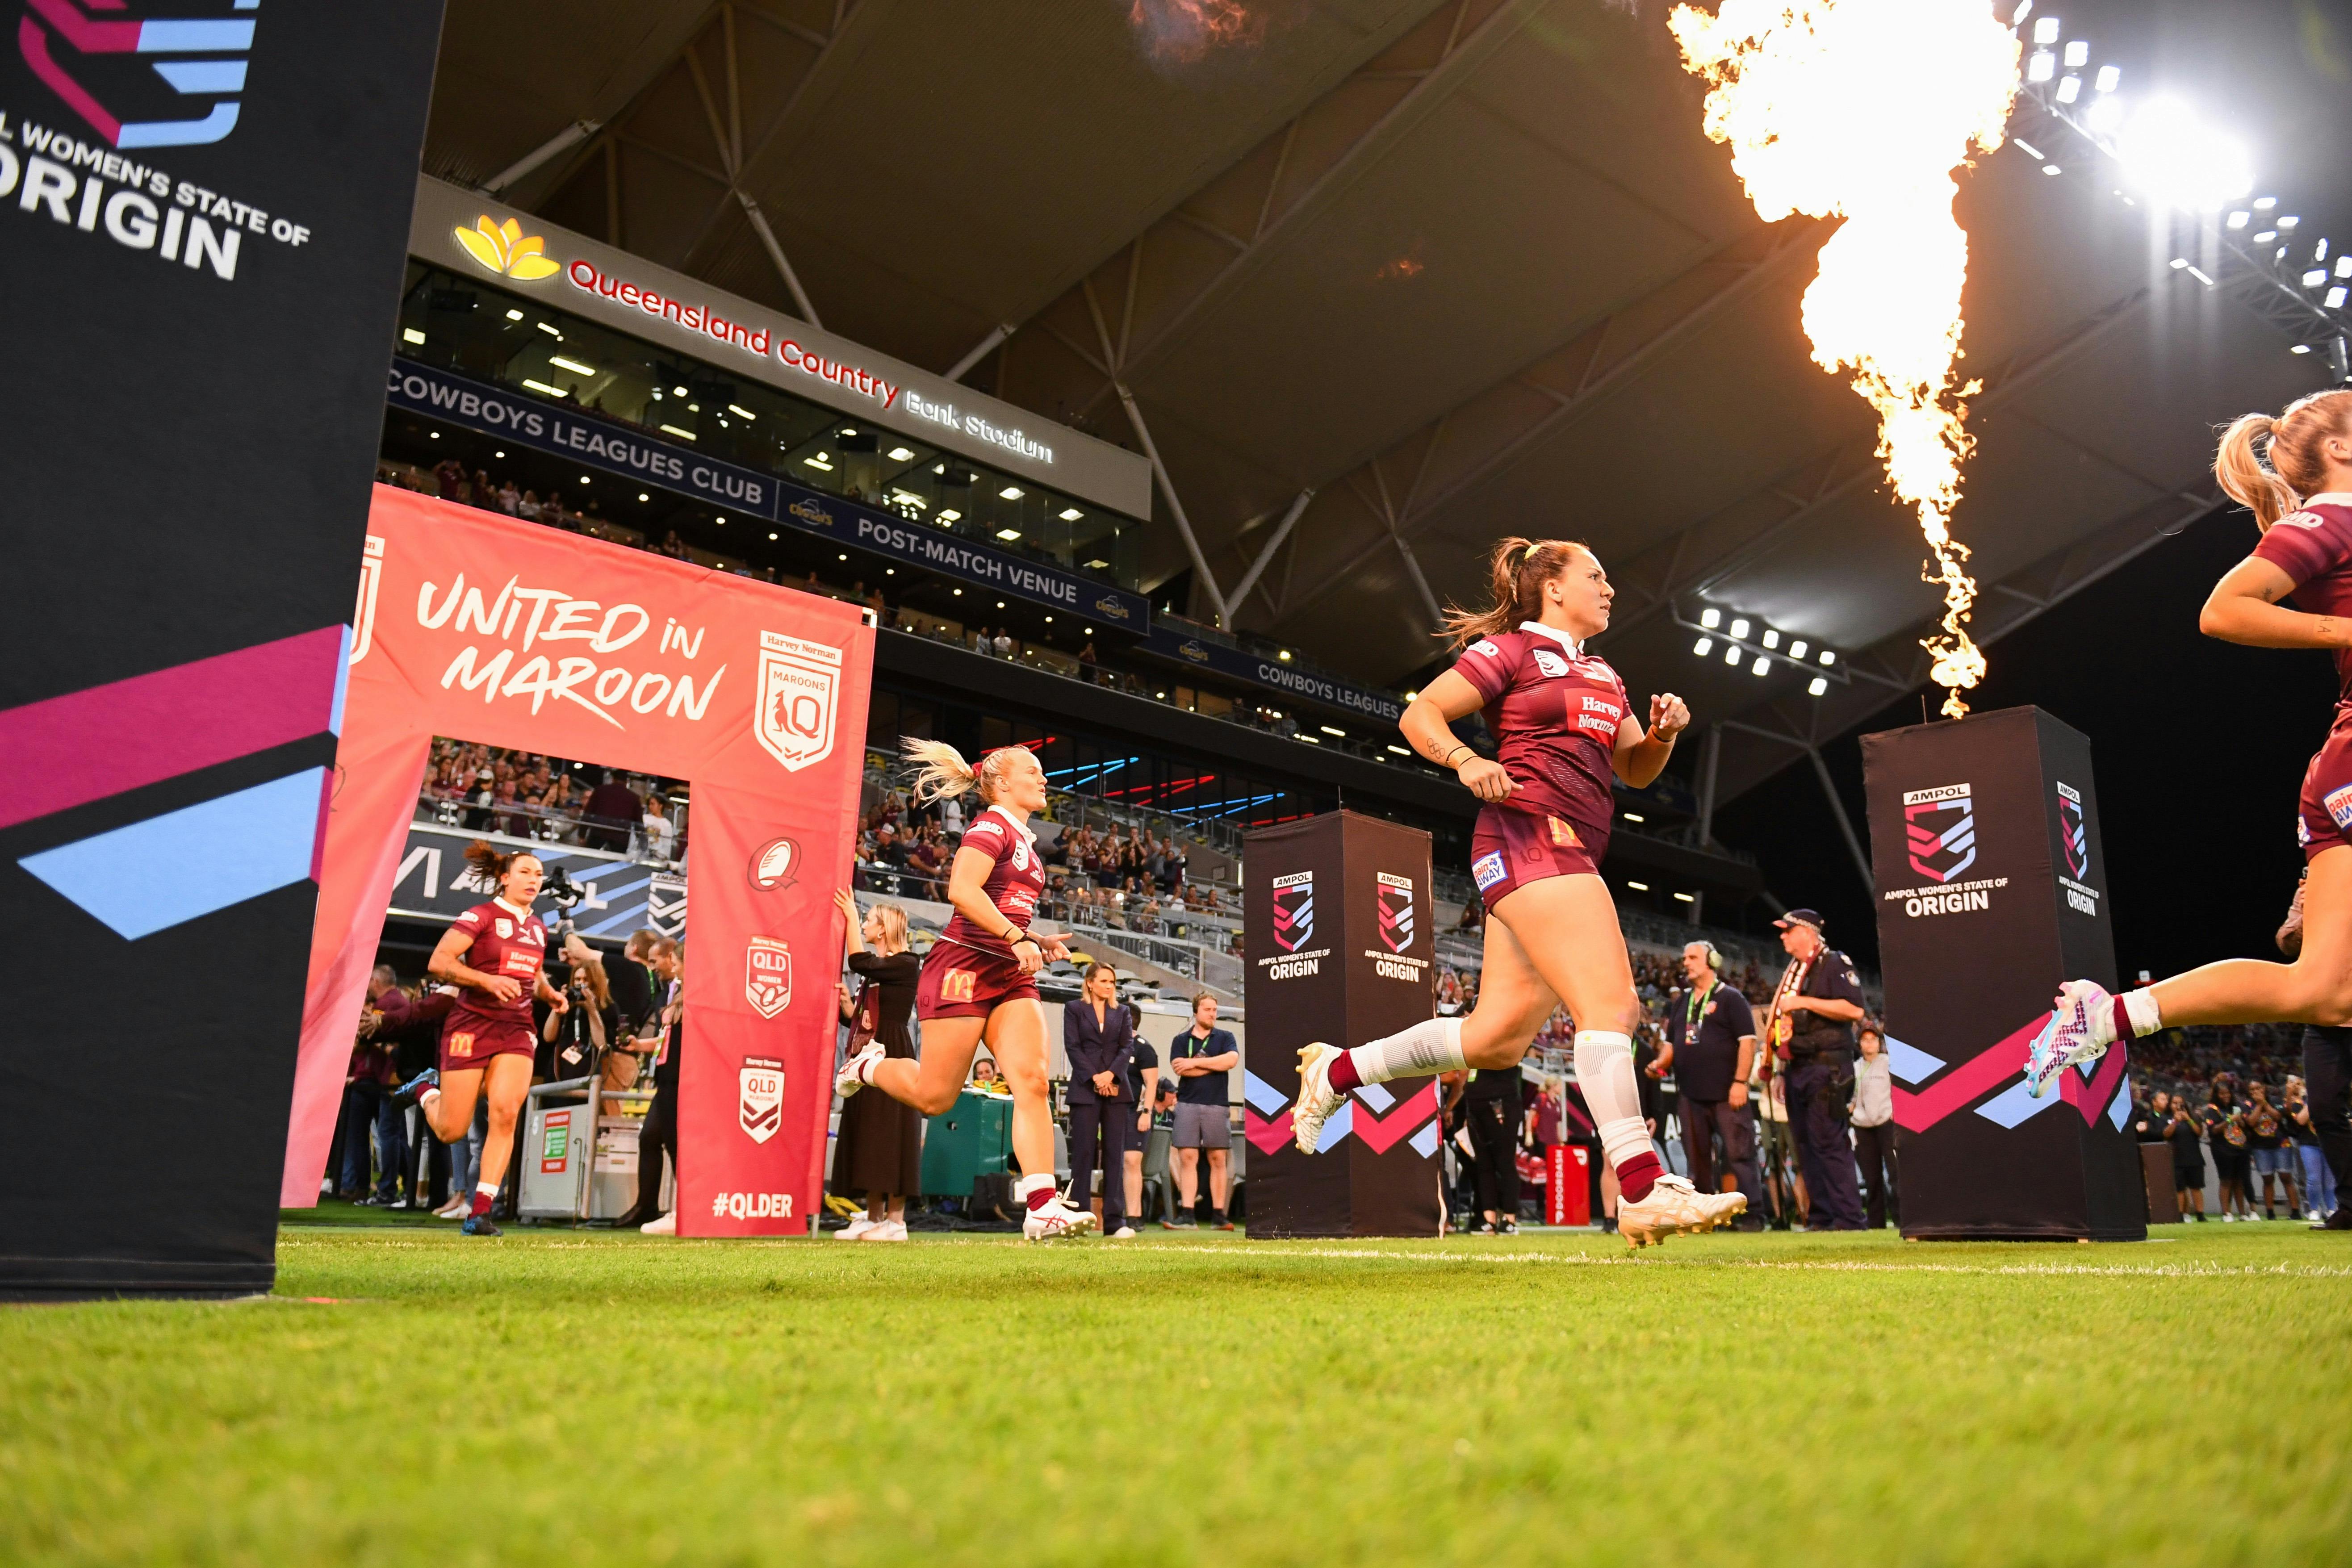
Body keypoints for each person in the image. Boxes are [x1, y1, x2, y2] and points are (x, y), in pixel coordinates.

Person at [1290, 537, 1738, 1250]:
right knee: (1612, 1005)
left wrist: (1662, 735)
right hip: (1529, 834)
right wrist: (1468, 759)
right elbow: (1420, 717)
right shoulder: (1509, 651)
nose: (1610, 588)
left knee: (1495, 1038)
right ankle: (1644, 1188)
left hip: (1562, 845)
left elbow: (1636, 770)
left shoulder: (1603, 672)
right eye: (1596, 575)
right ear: (1552, 589)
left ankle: (1337, 1068)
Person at [2029, 393, 2352, 1089]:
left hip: (2342, 759)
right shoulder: (2333, 515)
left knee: (2325, 991)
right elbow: (2224, 608)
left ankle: (2109, 1016)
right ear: (2339, 450)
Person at [835, 740, 1097, 1241]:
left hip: (1009, 972)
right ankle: (867, 1064)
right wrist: (1015, 936)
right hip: (963, 968)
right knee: (935, 1098)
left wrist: (1033, 936)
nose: (1044, 780)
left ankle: (1042, 1206)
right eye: (1034, 771)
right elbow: (962, 891)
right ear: (1001, 784)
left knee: (1034, 1081)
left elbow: (1002, 905)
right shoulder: (989, 827)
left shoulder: (1026, 842)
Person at [390, 842, 569, 1237]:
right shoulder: (481, 915)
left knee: (506, 1112)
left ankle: (480, 1212)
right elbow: (439, 962)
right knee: (453, 1130)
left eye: (539, 875)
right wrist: (487, 979)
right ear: (505, 877)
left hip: (517, 1027)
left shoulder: (539, 927)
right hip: (471, 1025)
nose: (534, 880)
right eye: (525, 872)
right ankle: (424, 1088)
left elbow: (533, 975)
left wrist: (549, 993)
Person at [1758, 910, 1868, 1232]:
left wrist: (1803, 1001)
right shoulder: (1794, 971)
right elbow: (1785, 1027)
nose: (1783, 936)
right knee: (1805, 1145)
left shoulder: (1833, 963)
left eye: (1789, 930)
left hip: (1827, 1065)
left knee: (1830, 1142)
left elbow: (1854, 1009)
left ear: (1808, 932)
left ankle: (1849, 1218)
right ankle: (1821, 1217)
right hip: (1798, 1065)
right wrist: (1780, 1070)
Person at [830, 891, 920, 1242]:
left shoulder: (906, 962)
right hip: (868, 1053)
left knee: (892, 1132)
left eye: (869, 921)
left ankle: (896, 1222)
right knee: (870, 1134)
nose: (864, 925)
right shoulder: (879, 973)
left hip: (893, 1053)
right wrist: (849, 1010)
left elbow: (858, 961)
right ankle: (873, 1216)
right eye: (862, 920)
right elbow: (865, 1019)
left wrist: (850, 915)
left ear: (883, 930)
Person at [1654, 940, 1762, 1230]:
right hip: (1690, 1093)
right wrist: (1658, 1064)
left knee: (1740, 1154)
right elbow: (1670, 1046)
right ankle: (1703, 1219)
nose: (1686, 962)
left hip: (1728, 1093)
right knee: (1697, 1160)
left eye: (1693, 957)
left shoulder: (1732, 998)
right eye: (1685, 957)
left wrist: (1740, 1082)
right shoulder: (1681, 1002)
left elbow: (1748, 1043)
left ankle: (1753, 1216)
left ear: (1711, 961)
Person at [1064, 962, 1140, 1238]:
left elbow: (1127, 1047)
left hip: (1117, 1090)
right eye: (1105, 981)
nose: (1110, 986)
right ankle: (1078, 1217)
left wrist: (1110, 1076)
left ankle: (1113, 1221)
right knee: (1083, 1154)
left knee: (1114, 1155)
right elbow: (1073, 1046)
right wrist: (1095, 1078)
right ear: (1090, 983)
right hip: (1086, 1089)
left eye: (1113, 982)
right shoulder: (1073, 1009)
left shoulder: (1122, 1012)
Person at [616, 937, 684, 1232]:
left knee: (677, 1145)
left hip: (682, 1078)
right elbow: (668, 1039)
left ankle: (684, 1210)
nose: (654, 968)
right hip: (666, 1075)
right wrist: (639, 1045)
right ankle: (648, 1206)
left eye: (661, 962)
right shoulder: (672, 993)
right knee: (654, 1138)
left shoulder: (692, 993)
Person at [1168, 993, 1239, 1229]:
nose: (1212, 1014)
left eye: (1215, 1010)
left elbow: (1230, 1061)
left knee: (1218, 1158)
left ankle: (1219, 1214)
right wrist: (1212, 1065)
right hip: (1188, 1104)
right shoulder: (1181, 1040)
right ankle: (1188, 1214)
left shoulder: (1226, 1037)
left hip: (1217, 1104)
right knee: (1187, 1158)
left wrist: (1194, 1063)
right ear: (1196, 1012)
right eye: (1207, 1009)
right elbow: (1180, 1069)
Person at [1460, 1059, 1523, 1234]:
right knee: (1483, 1165)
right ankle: (1489, 1220)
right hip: (1475, 1105)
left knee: (1505, 1163)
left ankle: (1510, 1219)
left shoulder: (1505, 1040)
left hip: (1501, 1103)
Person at [1850, 1024, 1898, 1230]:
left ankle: (1901, 1220)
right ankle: (1876, 1223)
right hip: (1862, 1126)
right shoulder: (1855, 1067)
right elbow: (1850, 1095)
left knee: (1895, 1174)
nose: (1869, 1043)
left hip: (1886, 1123)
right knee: (1872, 1178)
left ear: (1880, 1043)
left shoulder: (1889, 1065)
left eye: (1873, 1039)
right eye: (1865, 1040)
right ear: (1859, 1044)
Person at [2285, 1076, 2336, 1224]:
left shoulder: (2328, 1103)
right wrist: (2310, 1101)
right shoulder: (2299, 1104)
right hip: (2308, 1144)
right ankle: (2314, 1210)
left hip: (2327, 1144)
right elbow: (2301, 1120)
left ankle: (2331, 1209)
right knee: (2313, 1179)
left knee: (2329, 1180)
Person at [2245, 1080, 2293, 1220]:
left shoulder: (2275, 1100)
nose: (2255, 1092)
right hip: (2260, 1147)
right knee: (2267, 1179)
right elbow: (2251, 1122)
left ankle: (2295, 1210)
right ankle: (2270, 1212)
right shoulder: (2247, 1105)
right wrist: (2259, 1105)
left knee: (2286, 1177)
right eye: (2252, 1090)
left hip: (2280, 1144)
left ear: (2264, 1088)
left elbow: (2278, 1116)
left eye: (2258, 1088)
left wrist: (2264, 1102)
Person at [2166, 1094, 2208, 1220]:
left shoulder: (2194, 1117)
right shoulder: (2168, 1118)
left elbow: (2199, 1132)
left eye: (2181, 1103)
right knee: (2180, 1188)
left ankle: (2200, 1214)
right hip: (2177, 1159)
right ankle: (2180, 1214)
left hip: (2194, 1158)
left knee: (2196, 1187)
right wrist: (2176, 1121)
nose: (2178, 1106)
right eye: (2175, 1103)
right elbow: (2166, 1134)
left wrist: (2188, 1119)